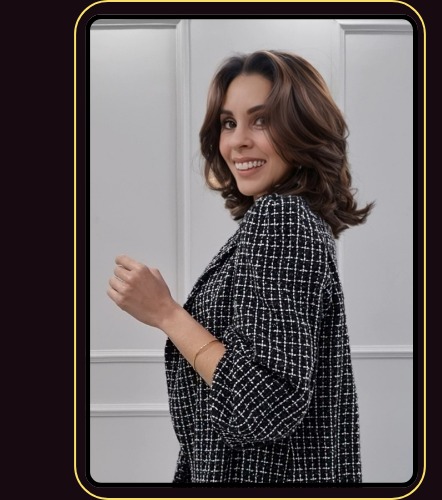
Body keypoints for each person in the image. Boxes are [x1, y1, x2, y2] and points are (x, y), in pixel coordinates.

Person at [107, 49, 374, 484]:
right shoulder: (293, 220)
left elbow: (263, 405)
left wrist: (166, 313)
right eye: (228, 123)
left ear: (302, 127)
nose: (238, 141)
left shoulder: (281, 219)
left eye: (261, 120)